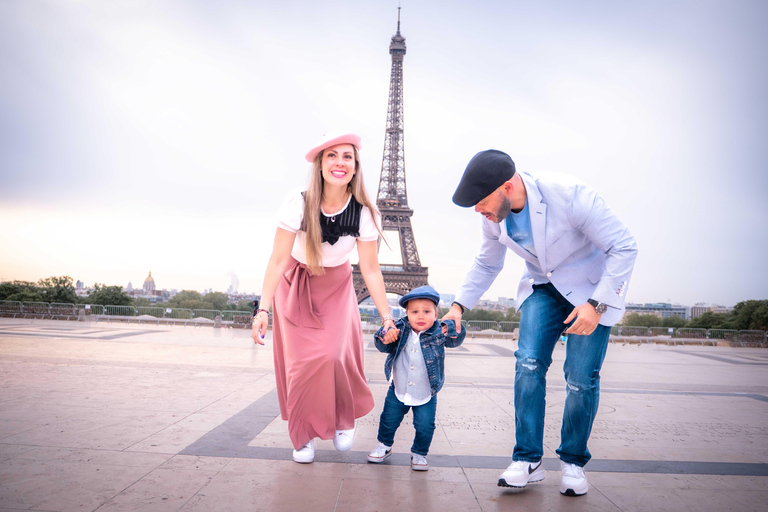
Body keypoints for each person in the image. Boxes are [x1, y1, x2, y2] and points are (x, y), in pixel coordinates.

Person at [442, 150, 637, 496]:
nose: (478, 211)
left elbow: (624, 247)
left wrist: (596, 305)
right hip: (543, 287)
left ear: (508, 185)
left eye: (481, 202)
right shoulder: (493, 217)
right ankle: (528, 460)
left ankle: (573, 461)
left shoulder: (569, 195)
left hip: (591, 291)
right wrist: (457, 306)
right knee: (528, 364)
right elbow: (487, 264)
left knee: (580, 379)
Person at [251, 131, 396, 464]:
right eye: (332, 155)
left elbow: (371, 271)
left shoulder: (363, 213)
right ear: (320, 164)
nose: (339, 162)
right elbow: (277, 260)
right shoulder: (297, 203)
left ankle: (343, 418)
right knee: (301, 366)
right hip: (296, 284)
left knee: (333, 356)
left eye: (347, 156)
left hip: (336, 287)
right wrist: (262, 309)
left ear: (356, 166)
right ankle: (303, 436)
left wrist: (387, 316)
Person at [367, 285, 465, 471]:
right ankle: (384, 445)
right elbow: (383, 344)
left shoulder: (439, 332)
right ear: (407, 314)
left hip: (426, 390)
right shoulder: (400, 329)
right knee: (388, 419)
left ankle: (419, 453)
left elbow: (456, 339)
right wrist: (384, 336)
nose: (421, 316)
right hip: (398, 388)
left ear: (436, 315)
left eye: (427, 311)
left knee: (425, 426)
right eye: (415, 312)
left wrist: (450, 327)